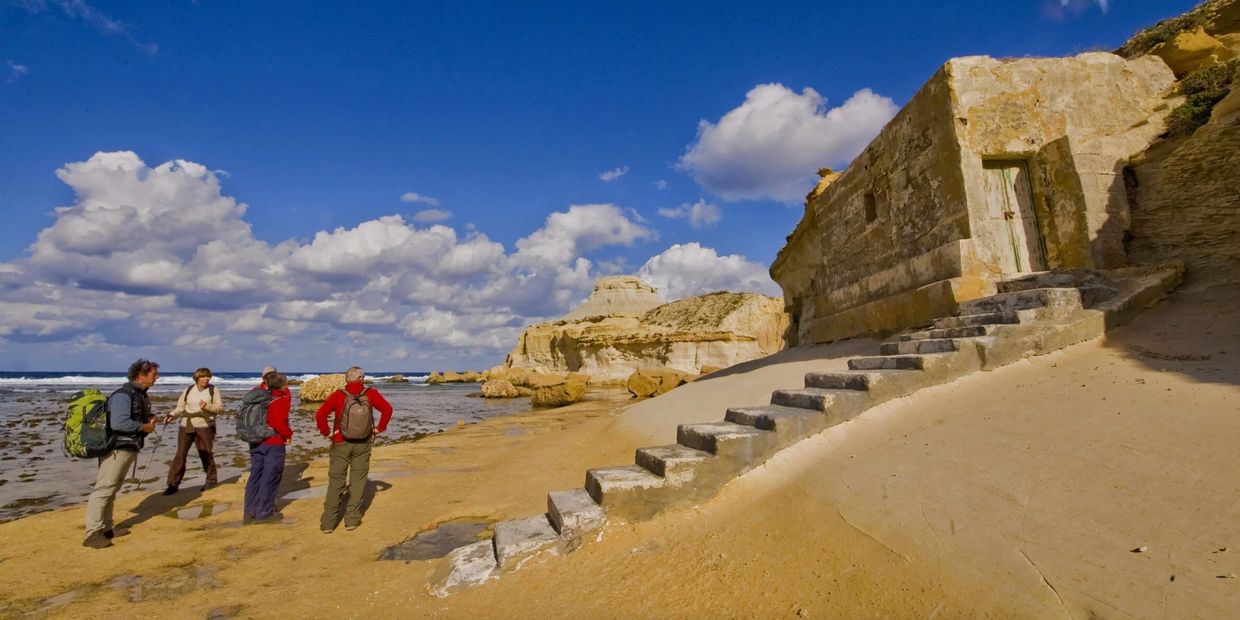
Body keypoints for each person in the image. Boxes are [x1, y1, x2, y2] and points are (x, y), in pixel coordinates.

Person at [83, 359, 159, 549]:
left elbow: (130, 419)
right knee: (103, 490)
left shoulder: (138, 394)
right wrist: (145, 426)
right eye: (153, 374)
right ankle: (92, 533)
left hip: (127, 448)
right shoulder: (123, 395)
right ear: (140, 376)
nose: (156, 377)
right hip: (117, 449)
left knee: (112, 489)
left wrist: (147, 420)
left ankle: (107, 528)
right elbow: (119, 423)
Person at [315, 366, 393, 533]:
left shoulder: (338, 395)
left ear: (346, 380)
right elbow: (388, 410)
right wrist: (379, 429)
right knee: (358, 481)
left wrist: (327, 433)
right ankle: (351, 520)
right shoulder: (371, 393)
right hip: (363, 443)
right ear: (361, 379)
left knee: (336, 482)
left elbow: (320, 415)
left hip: (340, 442)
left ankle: (328, 523)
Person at [163, 368, 224, 495]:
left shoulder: (213, 390)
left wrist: (207, 406)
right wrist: (171, 415)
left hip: (204, 426)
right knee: (180, 455)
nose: (206, 379)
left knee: (206, 454)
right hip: (186, 425)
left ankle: (211, 480)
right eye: (203, 377)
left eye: (208, 377)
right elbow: (180, 408)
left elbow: (220, 408)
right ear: (197, 378)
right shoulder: (189, 389)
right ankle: (173, 484)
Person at [243, 372, 292, 524]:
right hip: (273, 442)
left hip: (256, 441)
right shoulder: (279, 399)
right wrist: (288, 434)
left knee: (255, 476)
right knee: (270, 477)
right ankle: (264, 512)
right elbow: (278, 422)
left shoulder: (259, 397)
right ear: (282, 384)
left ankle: (249, 510)